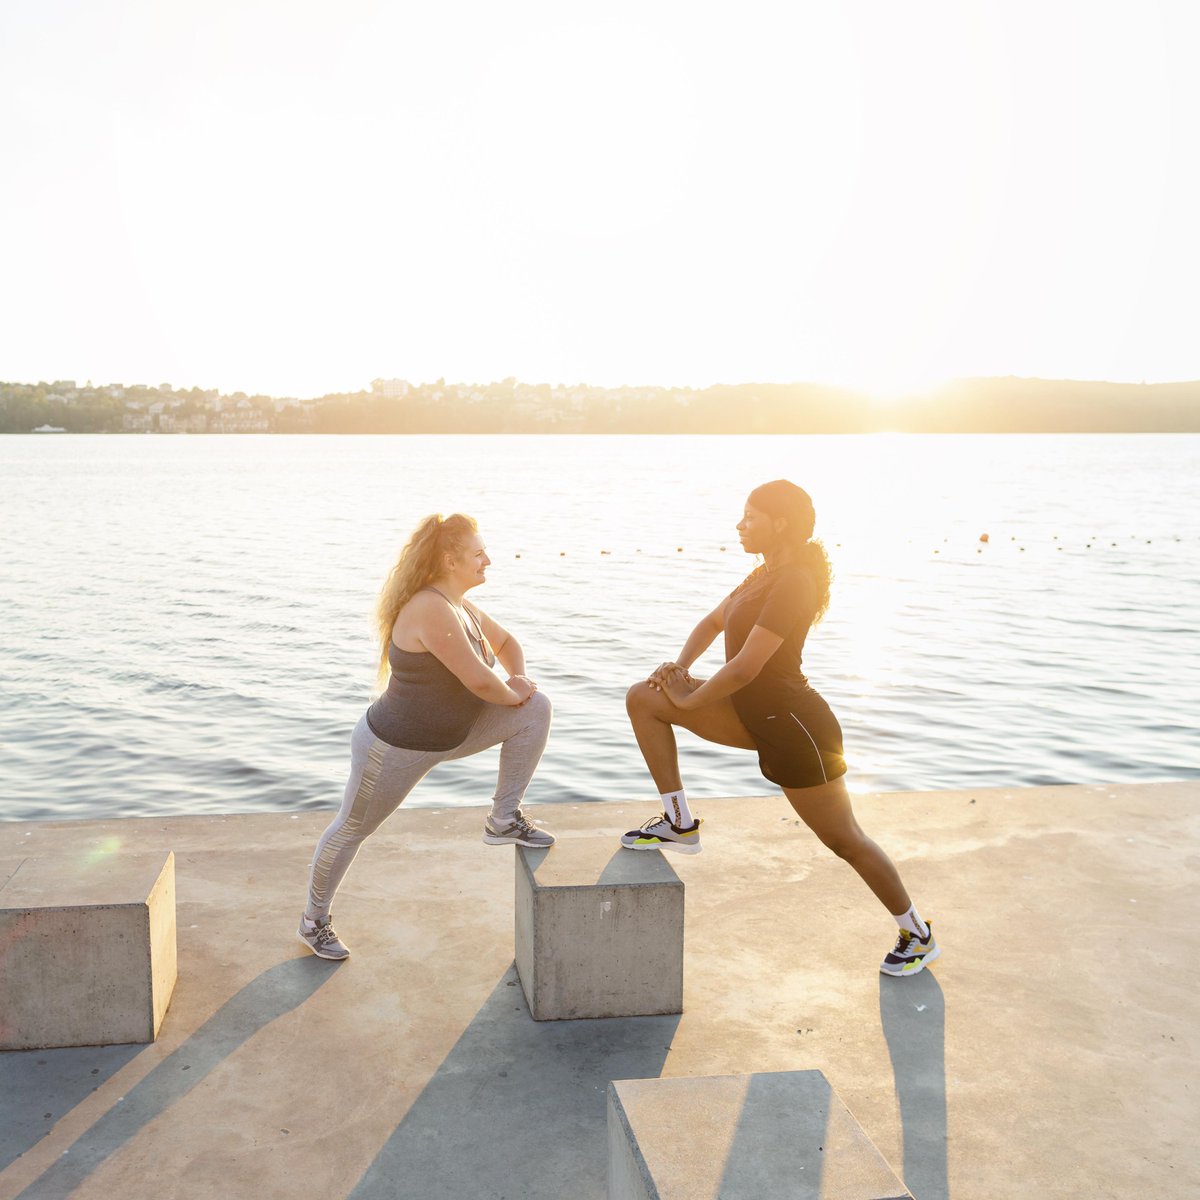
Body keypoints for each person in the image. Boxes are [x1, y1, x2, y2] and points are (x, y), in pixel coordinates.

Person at [620, 480, 939, 978]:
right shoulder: (761, 575)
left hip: (796, 730)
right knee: (644, 697)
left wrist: (690, 696)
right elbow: (711, 624)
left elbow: (747, 667)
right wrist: (676, 671)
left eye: (750, 516)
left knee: (845, 841)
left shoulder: (794, 582)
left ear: (781, 523)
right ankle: (679, 823)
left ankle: (917, 934)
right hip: (749, 716)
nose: (740, 525)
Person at [298, 513, 554, 961]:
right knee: (353, 829)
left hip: (452, 733)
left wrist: (521, 680)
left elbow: (508, 644)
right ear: (450, 560)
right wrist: (512, 691)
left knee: (536, 708)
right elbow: (478, 681)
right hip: (394, 748)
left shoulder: (459, 604)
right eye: (478, 554)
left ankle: (503, 819)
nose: (488, 560)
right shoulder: (429, 608)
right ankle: (313, 921)